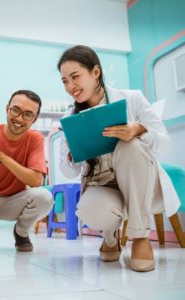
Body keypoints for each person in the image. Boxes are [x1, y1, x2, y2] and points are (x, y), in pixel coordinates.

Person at [57, 45, 180, 272]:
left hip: (139, 180)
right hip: (102, 184)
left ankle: (140, 236)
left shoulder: (132, 99)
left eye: (75, 77)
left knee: (130, 145)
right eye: (64, 81)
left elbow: (165, 143)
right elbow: (69, 172)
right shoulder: (70, 118)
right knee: (90, 210)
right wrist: (71, 155)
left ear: (95, 72)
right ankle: (110, 236)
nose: (70, 86)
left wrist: (140, 130)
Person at [0, 90, 53, 252]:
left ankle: (21, 233)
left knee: (44, 197)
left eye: (28, 114)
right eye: (15, 110)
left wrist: (1, 157)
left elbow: (36, 181)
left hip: (15, 203)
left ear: (35, 119)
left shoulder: (35, 139)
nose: (19, 119)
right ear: (7, 109)